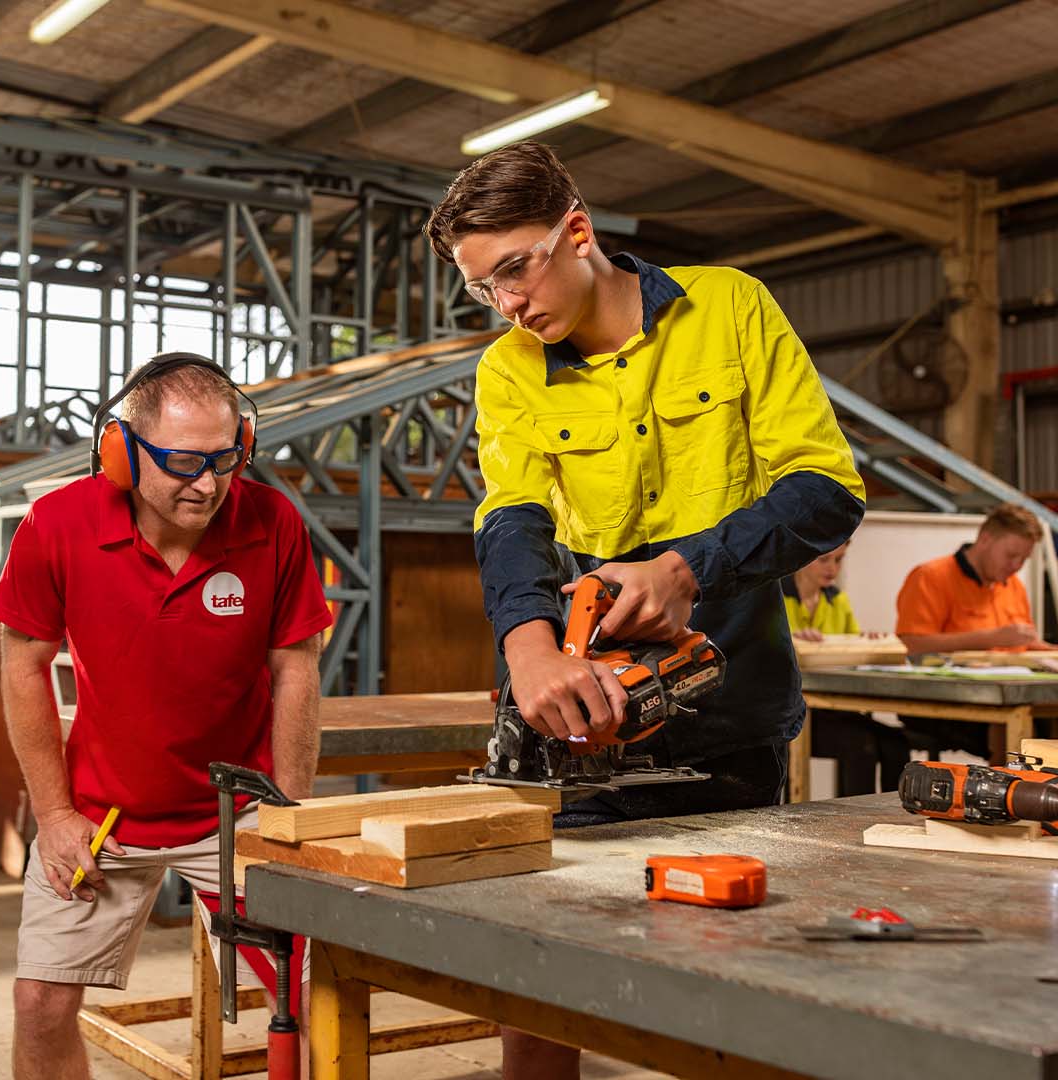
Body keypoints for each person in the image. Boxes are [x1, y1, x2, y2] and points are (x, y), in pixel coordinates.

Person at [424, 142, 866, 1078]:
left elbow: (827, 490)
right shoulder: (509, 369)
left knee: (725, 982)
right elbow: (513, 519)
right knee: (537, 974)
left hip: (731, 693)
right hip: (585, 709)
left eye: (514, 269)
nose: (507, 303)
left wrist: (686, 572)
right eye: (482, 287)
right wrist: (532, 652)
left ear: (575, 231)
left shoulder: (732, 308)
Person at [0, 354, 332, 1080]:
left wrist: (290, 811)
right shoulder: (59, 523)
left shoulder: (273, 523)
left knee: (309, 997)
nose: (207, 484)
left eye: (225, 460)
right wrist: (52, 815)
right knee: (40, 1003)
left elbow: (296, 666)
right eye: (182, 463)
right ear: (120, 453)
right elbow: (22, 665)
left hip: (239, 811)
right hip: (102, 813)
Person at [893, 502, 1058, 758]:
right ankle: (1006, 792)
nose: (1016, 565)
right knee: (1026, 739)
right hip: (946, 702)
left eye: (1024, 559)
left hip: (1008, 699)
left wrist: (1056, 650)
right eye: (1011, 555)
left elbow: (1018, 643)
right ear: (985, 539)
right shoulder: (930, 577)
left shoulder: (1013, 586)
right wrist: (991, 638)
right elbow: (912, 643)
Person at [783, 544, 910, 794]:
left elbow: (852, 653)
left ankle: (895, 822)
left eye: (839, 560)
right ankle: (852, 825)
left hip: (837, 708)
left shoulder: (837, 599)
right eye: (824, 560)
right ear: (803, 557)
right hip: (798, 713)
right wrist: (793, 639)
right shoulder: (776, 598)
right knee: (861, 746)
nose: (833, 568)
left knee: (896, 743)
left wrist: (869, 642)